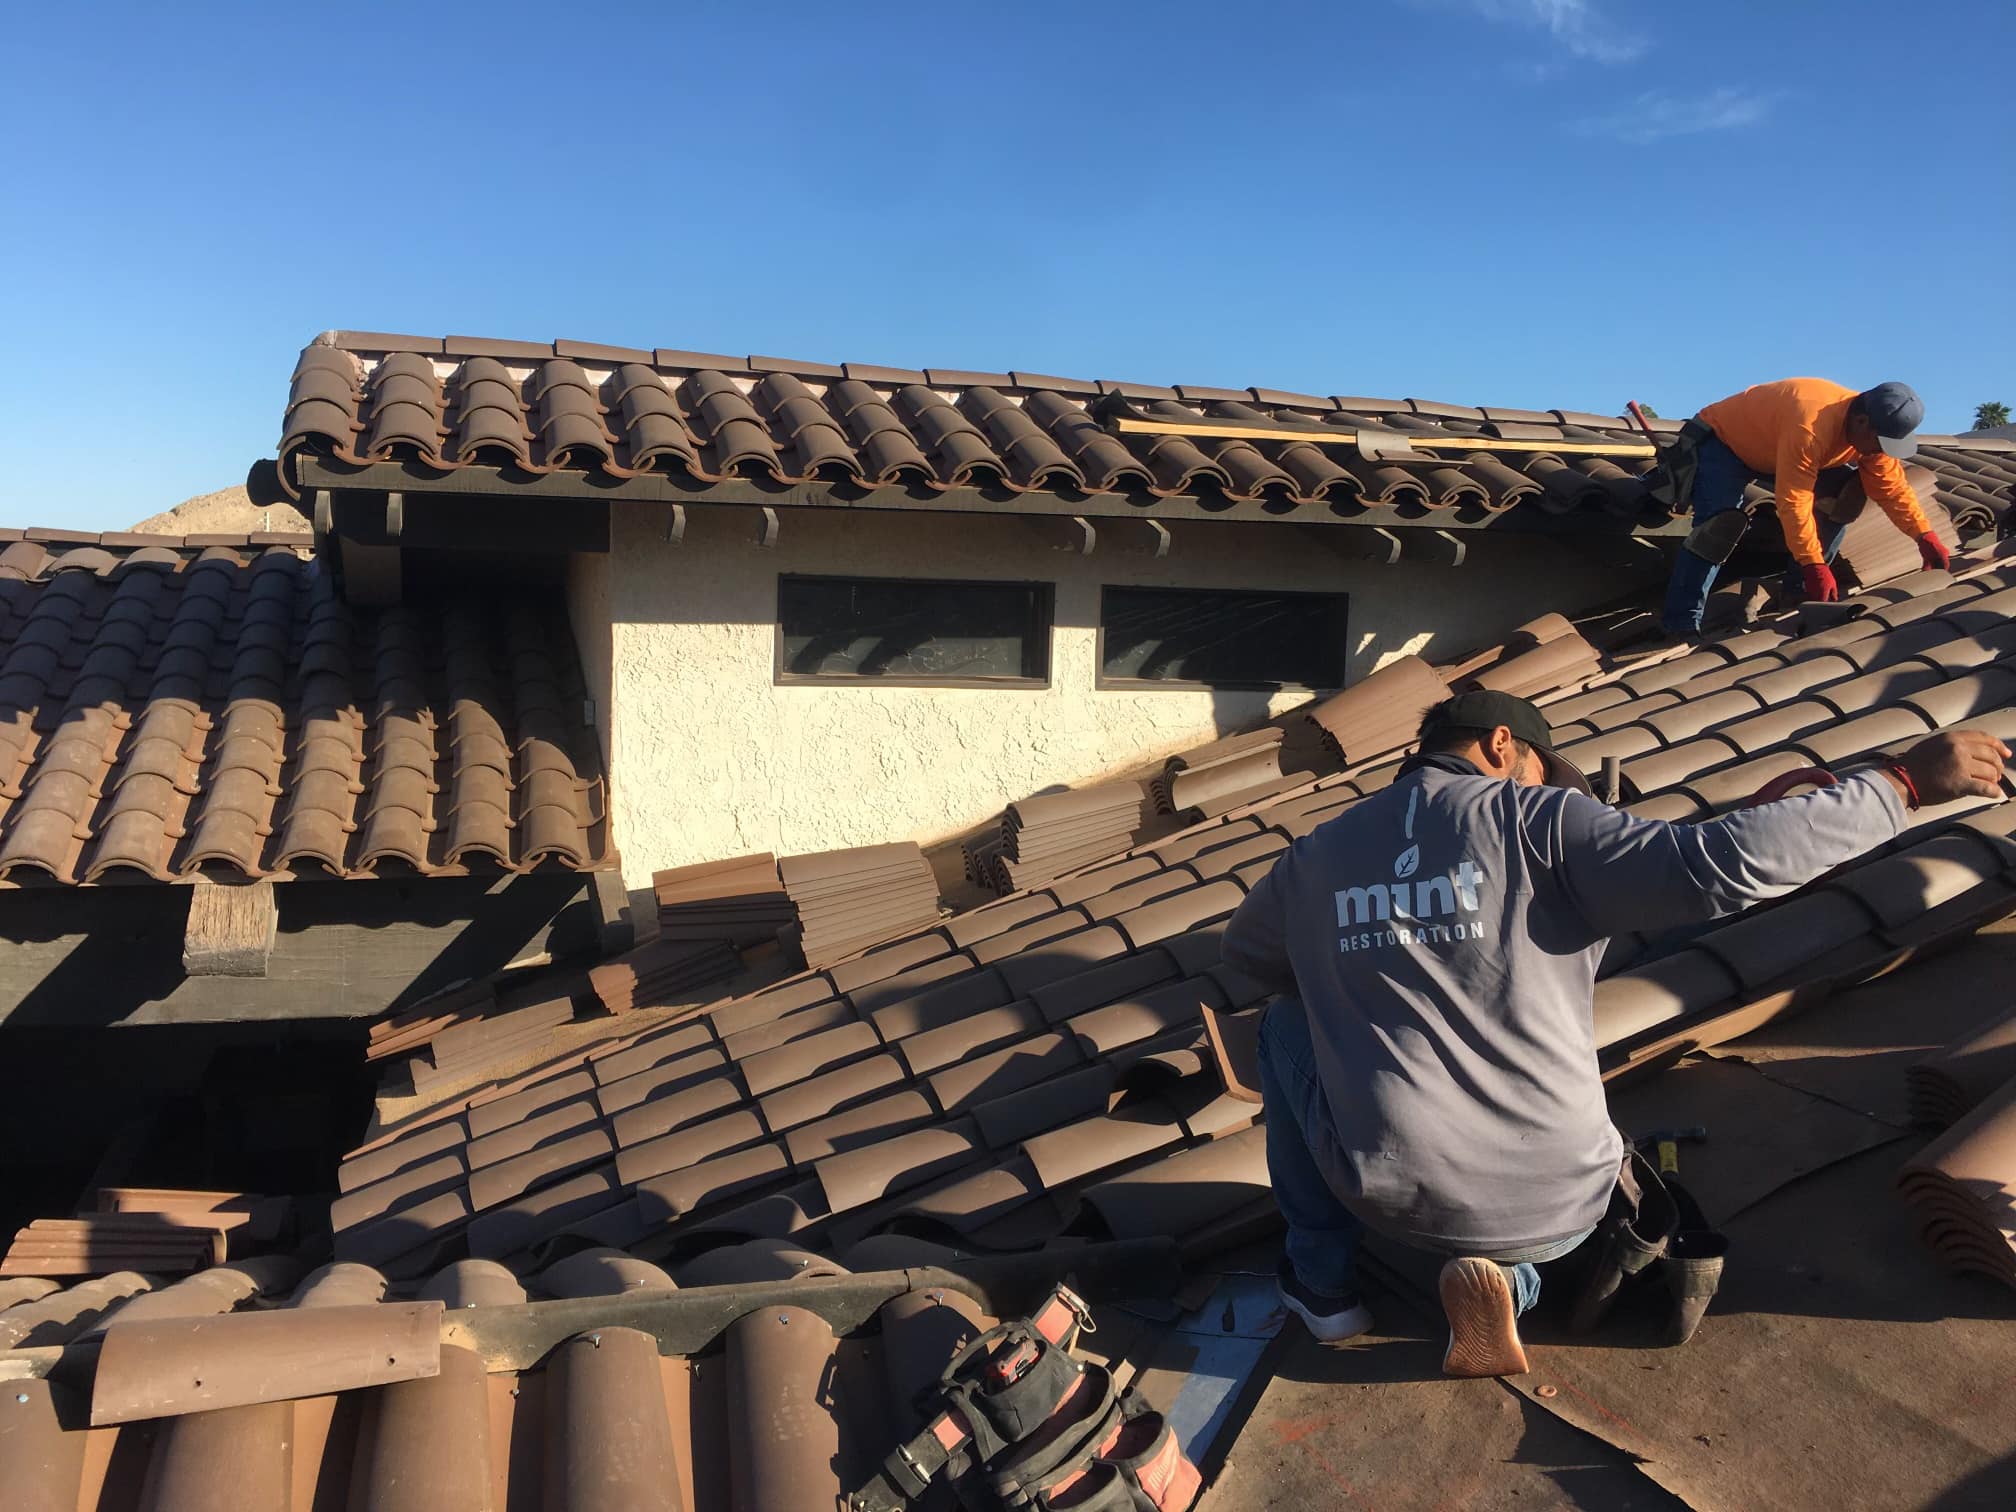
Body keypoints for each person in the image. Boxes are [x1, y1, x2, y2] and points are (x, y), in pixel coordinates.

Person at [1222, 689, 2009, 1377]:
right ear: (1504, 746)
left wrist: (1368, 954)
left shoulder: (1314, 856)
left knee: (1286, 1022)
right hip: (1560, 1199)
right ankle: (1518, 1285)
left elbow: (1249, 960)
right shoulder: (1539, 821)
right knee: (1546, 1210)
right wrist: (1900, 786)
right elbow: (1718, 866)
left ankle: (1322, 1289)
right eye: (1542, 768)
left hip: (1385, 1195)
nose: (1549, 786)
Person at [1657, 379, 1944, 638]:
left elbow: (1891, 488)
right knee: (1716, 529)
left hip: (1772, 448)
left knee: (1844, 497)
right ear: (1860, 421)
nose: (1881, 451)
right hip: (1724, 442)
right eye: (1881, 443)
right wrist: (1814, 564)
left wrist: (1923, 536)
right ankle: (1681, 623)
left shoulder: (1871, 437)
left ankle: (1797, 596)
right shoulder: (1811, 425)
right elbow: (1795, 501)